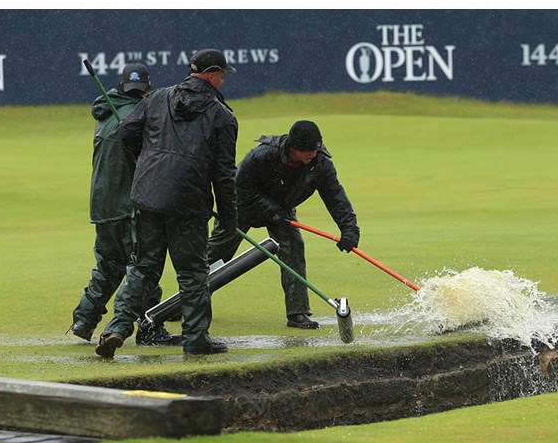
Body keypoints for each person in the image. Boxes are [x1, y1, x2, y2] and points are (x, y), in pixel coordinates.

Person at [95, 49, 238, 359]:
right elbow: (224, 174)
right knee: (191, 273)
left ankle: (116, 328)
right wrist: (229, 218)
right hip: (188, 202)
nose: (224, 80)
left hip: (147, 196)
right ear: (212, 75)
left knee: (144, 268)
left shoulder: (158, 97)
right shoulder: (222, 116)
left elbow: (127, 131)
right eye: (223, 75)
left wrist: (148, 160)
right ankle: (196, 338)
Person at [207, 120, 359, 329]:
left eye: (315, 149)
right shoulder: (261, 155)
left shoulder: (320, 163)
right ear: (293, 148)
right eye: (308, 150)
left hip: (282, 210)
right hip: (241, 207)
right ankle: (186, 303)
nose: (313, 154)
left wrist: (349, 229)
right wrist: (271, 210)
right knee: (217, 254)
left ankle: (298, 314)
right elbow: (238, 188)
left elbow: (335, 196)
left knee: (294, 248)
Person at [70, 63, 179, 347]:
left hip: (102, 206)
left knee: (109, 265)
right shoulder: (137, 118)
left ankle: (85, 318)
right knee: (144, 266)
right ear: (147, 89)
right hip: (129, 205)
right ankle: (149, 325)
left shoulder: (106, 114)